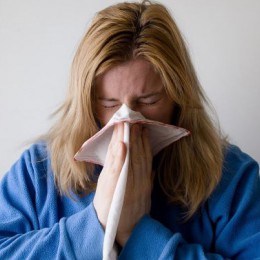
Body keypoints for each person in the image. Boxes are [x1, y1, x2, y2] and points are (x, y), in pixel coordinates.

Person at [0, 1, 259, 259]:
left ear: (178, 96)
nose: (127, 119)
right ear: (86, 102)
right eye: (109, 103)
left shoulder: (232, 178)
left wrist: (139, 235)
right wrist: (97, 226)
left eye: (149, 101)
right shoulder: (38, 173)